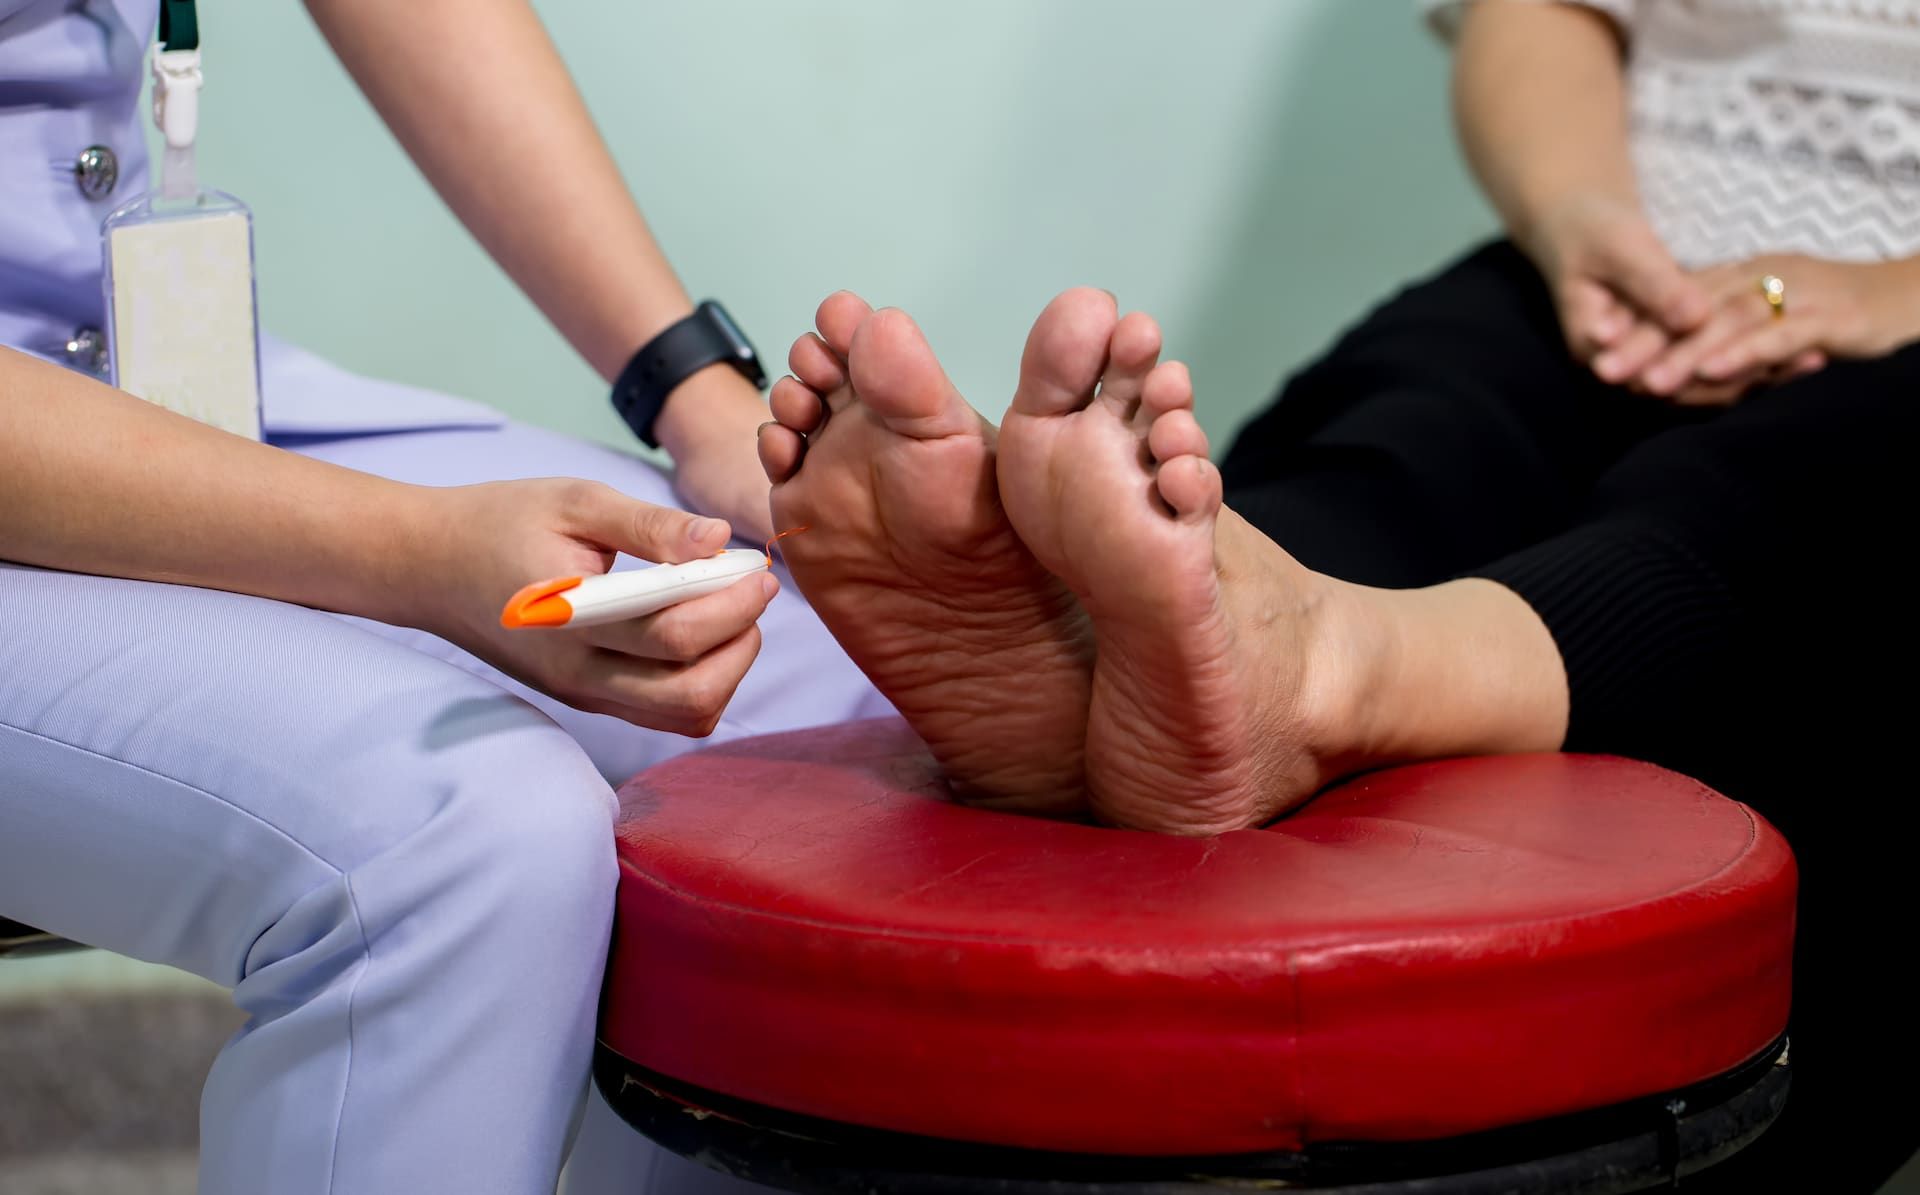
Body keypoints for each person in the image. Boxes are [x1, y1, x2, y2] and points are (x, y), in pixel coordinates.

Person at [750, 2, 1919, 1190]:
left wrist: (1894, 292)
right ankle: (1114, 660)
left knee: (1762, 499)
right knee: (1410, 432)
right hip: (1637, 268)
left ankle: (1322, 668)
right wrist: (1586, 220)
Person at [0, 2, 889, 1192]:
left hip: (137, 359)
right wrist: (414, 552)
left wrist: (699, 398)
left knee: (822, 697)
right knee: (462, 839)